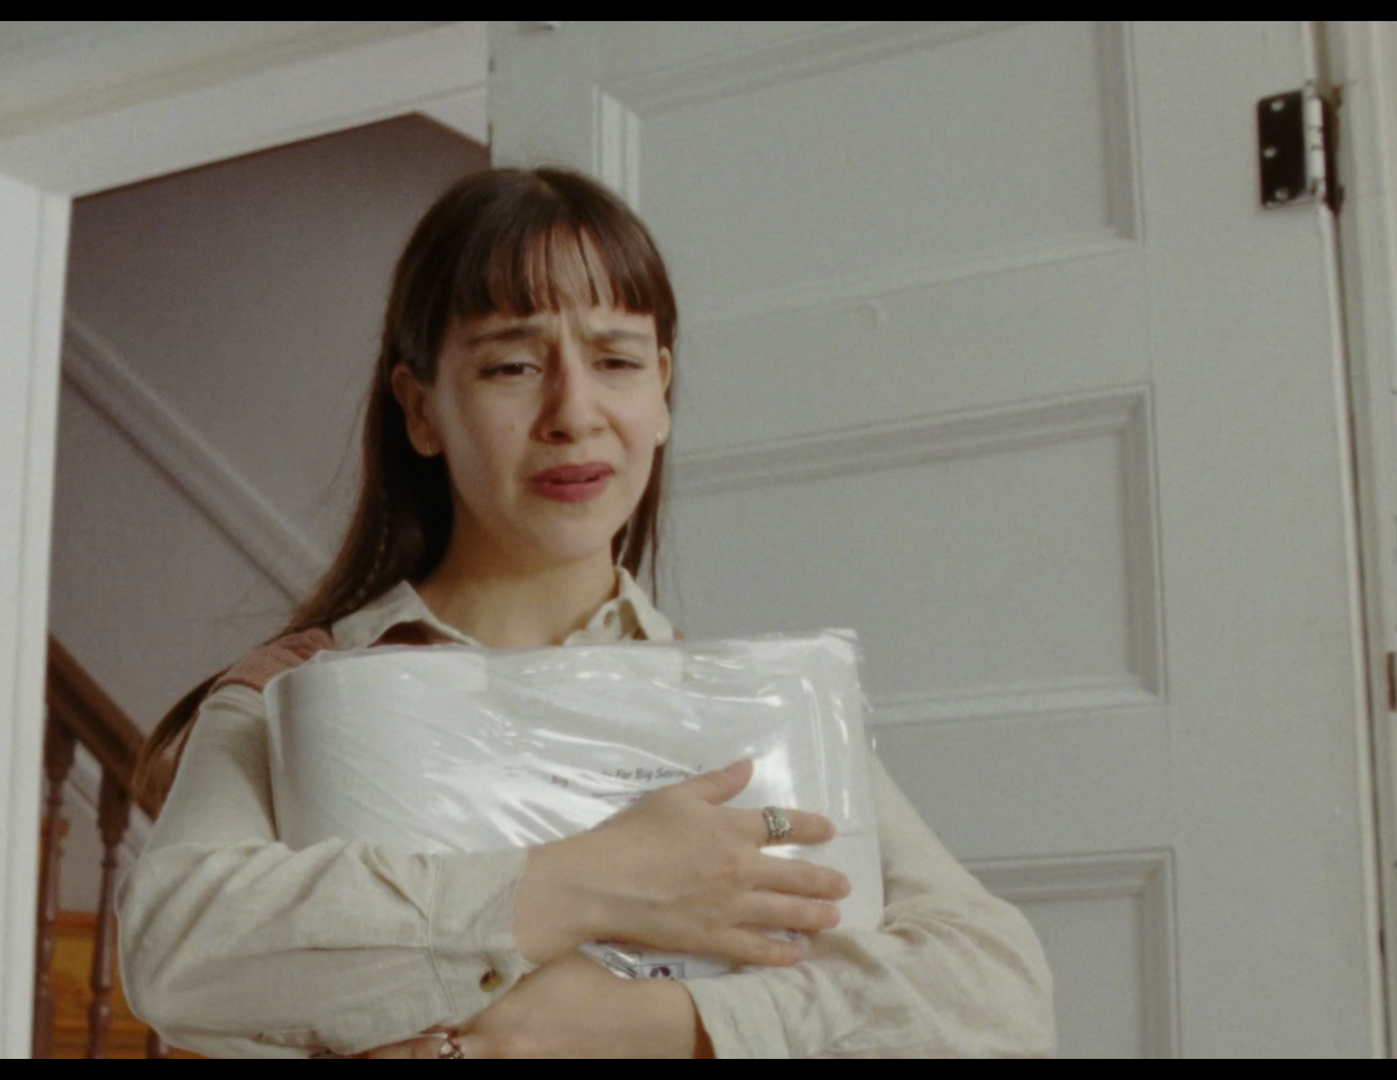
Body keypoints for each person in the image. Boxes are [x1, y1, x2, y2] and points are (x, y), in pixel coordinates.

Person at [117, 167, 1055, 1058]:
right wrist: (600, 879)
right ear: (421, 410)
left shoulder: (754, 719)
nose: (574, 410)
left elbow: (999, 993)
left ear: (661, 396)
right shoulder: (299, 696)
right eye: (513, 366)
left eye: (616, 359)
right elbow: (180, 947)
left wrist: (657, 1025)